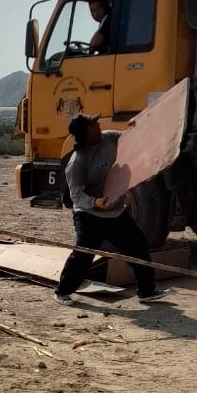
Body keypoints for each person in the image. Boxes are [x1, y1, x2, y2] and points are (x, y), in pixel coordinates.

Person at [54, 113, 169, 306]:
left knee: (138, 248)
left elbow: (128, 138)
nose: (99, 125)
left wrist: (135, 128)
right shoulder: (77, 163)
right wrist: (96, 202)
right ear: (85, 133)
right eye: (93, 125)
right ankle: (63, 291)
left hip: (116, 212)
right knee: (83, 255)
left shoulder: (108, 137)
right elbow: (77, 196)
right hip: (89, 214)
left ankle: (147, 292)